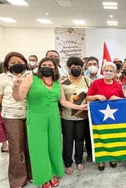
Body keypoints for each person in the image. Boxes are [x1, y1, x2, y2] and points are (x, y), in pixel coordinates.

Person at [12, 57, 88, 187]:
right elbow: (19, 97)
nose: (47, 67)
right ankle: (43, 178)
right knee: (38, 148)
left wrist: (80, 107)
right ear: (40, 67)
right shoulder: (31, 78)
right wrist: (15, 88)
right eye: (44, 64)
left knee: (54, 146)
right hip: (36, 117)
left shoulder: (57, 83)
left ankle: (52, 173)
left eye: (50, 65)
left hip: (54, 118)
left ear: (55, 68)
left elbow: (63, 102)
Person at [0, 52, 32, 188]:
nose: (17, 65)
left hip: (32, 116)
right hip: (11, 117)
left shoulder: (32, 76)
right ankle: (18, 180)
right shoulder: (1, 78)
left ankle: (32, 173)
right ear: (7, 65)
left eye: (19, 62)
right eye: (13, 63)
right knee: (16, 148)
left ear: (25, 62)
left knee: (32, 146)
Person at [86, 62, 125, 171]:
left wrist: (117, 98)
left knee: (113, 137)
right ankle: (101, 159)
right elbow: (87, 98)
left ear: (115, 72)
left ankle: (113, 157)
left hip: (114, 118)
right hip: (99, 118)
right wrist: (97, 96)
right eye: (106, 70)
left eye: (111, 71)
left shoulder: (118, 85)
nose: (108, 72)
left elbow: (124, 100)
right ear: (103, 71)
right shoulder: (96, 83)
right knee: (100, 137)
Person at [60, 57, 93, 175]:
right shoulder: (62, 82)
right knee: (67, 140)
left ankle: (79, 160)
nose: (76, 69)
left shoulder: (88, 81)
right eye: (73, 67)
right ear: (68, 68)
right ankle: (67, 163)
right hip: (66, 116)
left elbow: (92, 96)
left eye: (78, 67)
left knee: (80, 139)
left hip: (83, 116)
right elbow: (61, 100)